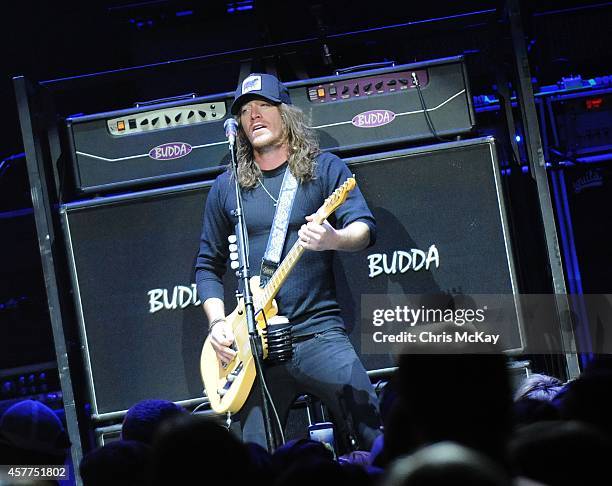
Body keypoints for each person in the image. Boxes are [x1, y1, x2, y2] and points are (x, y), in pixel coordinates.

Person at [195, 73, 381, 452]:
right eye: (245, 111)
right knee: (251, 456)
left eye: (264, 106)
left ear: (286, 114)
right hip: (255, 349)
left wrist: (333, 239)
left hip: (318, 333)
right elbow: (207, 266)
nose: (254, 116)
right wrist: (217, 324)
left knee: (371, 427)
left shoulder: (323, 168)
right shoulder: (227, 187)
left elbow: (363, 228)